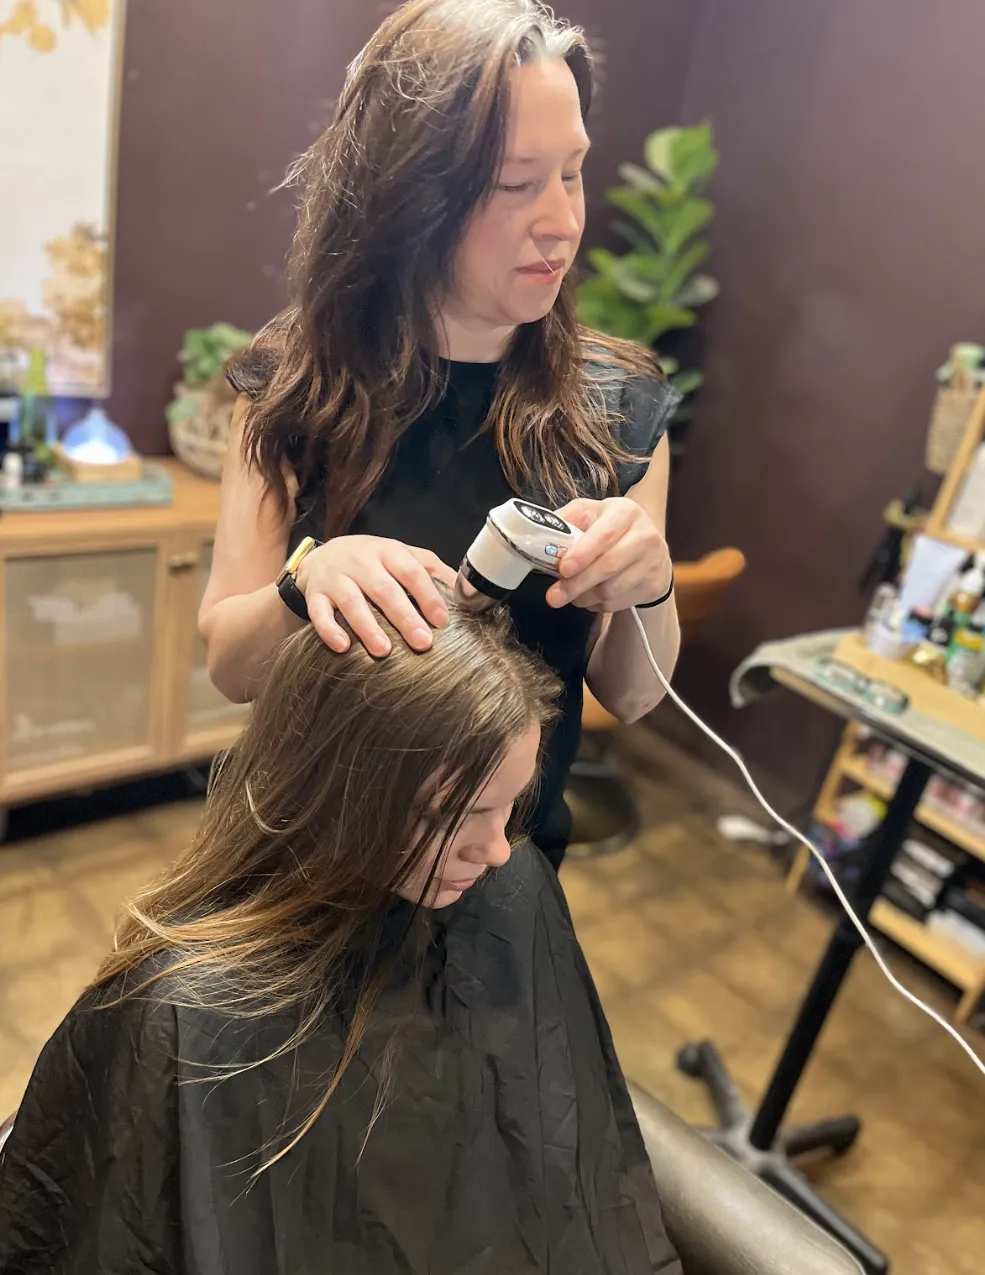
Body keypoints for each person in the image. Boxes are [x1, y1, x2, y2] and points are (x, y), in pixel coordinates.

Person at [0, 598, 683, 1274]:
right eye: (455, 815)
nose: (498, 849)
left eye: (509, 807)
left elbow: (565, 1167)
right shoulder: (182, 1013)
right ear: (340, 793)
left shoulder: (512, 890)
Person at [199, 0, 681, 874]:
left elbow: (632, 693)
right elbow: (233, 668)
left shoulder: (621, 407)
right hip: (314, 863)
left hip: (501, 865)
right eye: (515, 183)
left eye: (572, 174)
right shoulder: (294, 388)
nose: (562, 221)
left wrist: (649, 586)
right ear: (409, 192)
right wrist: (306, 584)